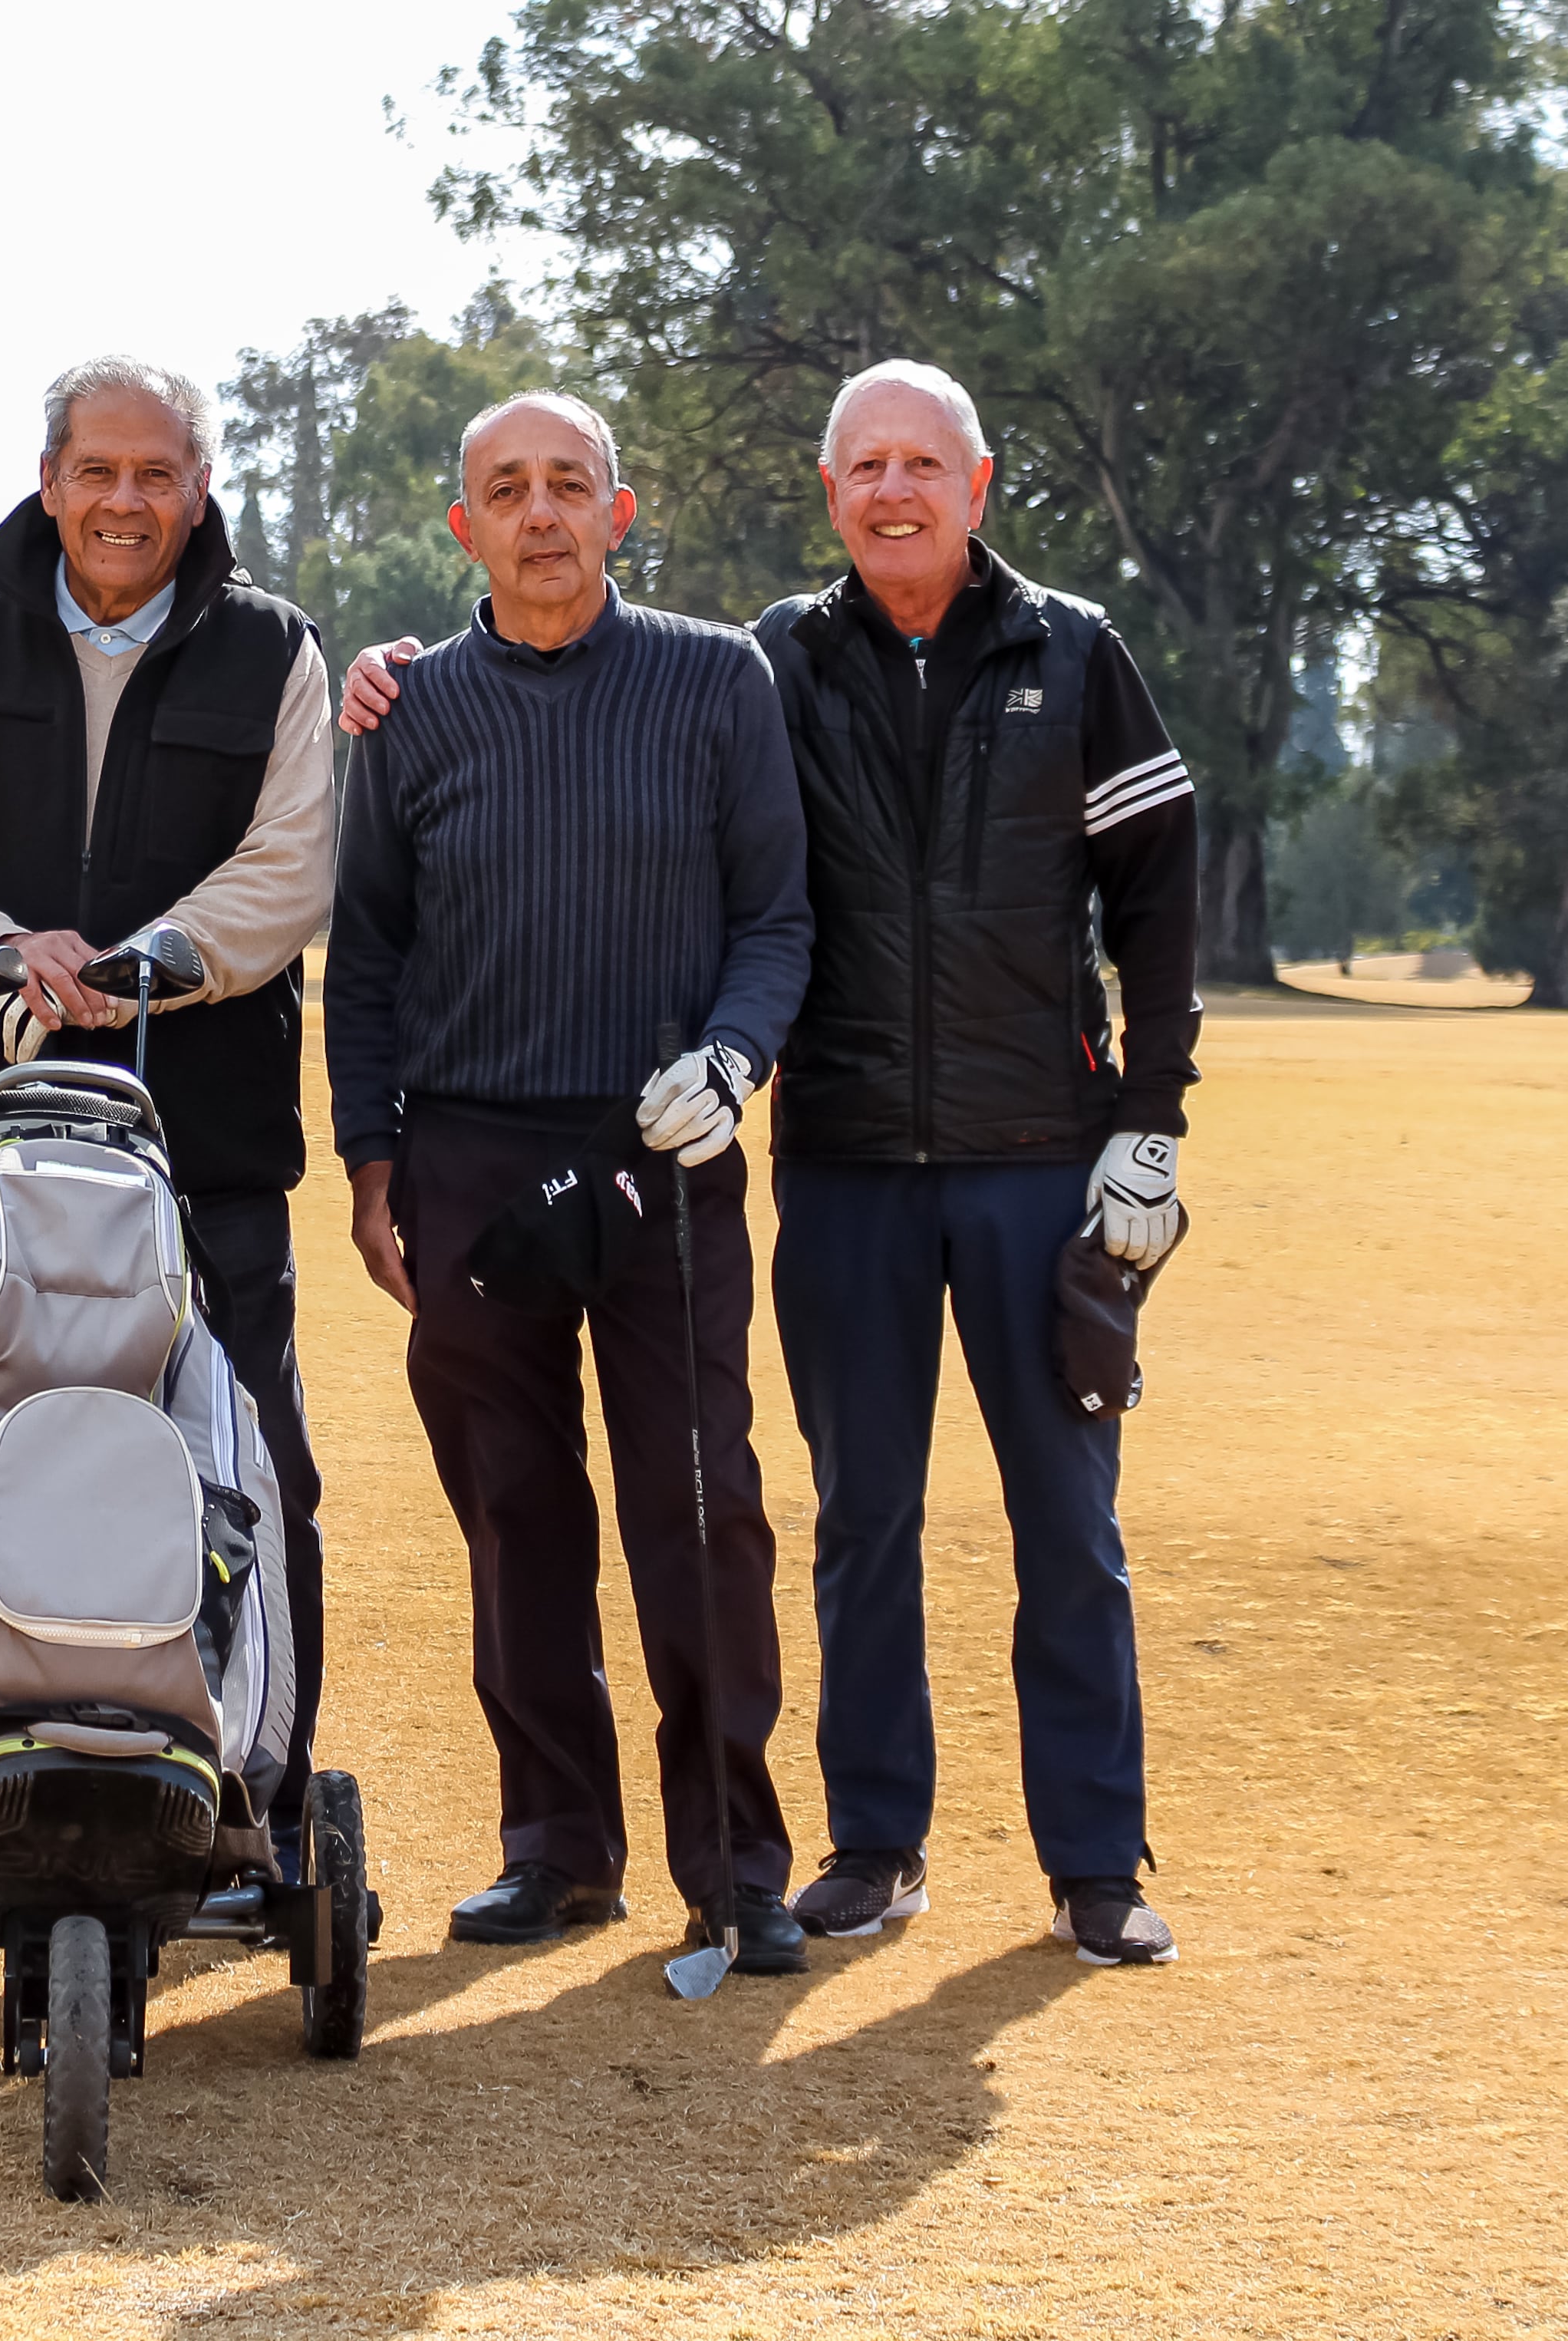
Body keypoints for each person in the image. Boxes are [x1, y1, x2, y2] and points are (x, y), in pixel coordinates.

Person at [342, 360, 1199, 1967]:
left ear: (978, 481)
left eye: (922, 464)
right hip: (706, 1160)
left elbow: (1118, 895)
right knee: (751, 1518)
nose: (895, 490)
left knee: (952, 1516)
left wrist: (1146, 1115)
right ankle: (732, 1847)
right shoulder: (716, 670)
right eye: (865, 464)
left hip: (917, 1156)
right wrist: (371, 1157)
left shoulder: (986, 659)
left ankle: (976, 1860)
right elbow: (399, 930)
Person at [324, 389, 815, 1972]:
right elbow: (373, 953)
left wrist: (735, 1059)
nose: (541, 513)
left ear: (619, 507)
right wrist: (370, 1158)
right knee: (517, 1518)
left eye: (569, 485)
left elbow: (776, 920)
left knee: (702, 1510)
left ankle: (736, 1864)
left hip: (664, 1153)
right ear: (463, 523)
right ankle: (557, 1847)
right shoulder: (413, 714)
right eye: (506, 489)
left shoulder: (716, 678)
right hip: (470, 1162)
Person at [0, 356, 337, 1861]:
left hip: (212, 1149)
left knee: (251, 1472)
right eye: (99, 472)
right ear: (50, 478)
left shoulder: (275, 651)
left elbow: (292, 863)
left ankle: (249, 1787)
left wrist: (143, 970)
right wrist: (0, 946)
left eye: (159, 474)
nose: (128, 502)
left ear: (200, 488)